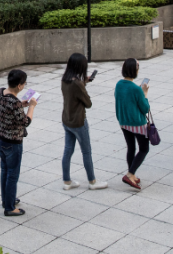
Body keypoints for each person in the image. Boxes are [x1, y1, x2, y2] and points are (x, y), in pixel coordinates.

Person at [60, 53, 109, 190]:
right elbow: (88, 103)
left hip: (66, 119)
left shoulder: (65, 79)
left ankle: (67, 181)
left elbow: (74, 92)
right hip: (78, 122)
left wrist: (83, 82)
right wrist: (83, 85)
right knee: (86, 151)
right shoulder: (77, 84)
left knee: (68, 150)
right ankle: (92, 181)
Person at [0, 69, 36, 214]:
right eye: (24, 84)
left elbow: (10, 110)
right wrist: (31, 106)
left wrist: (21, 104)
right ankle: (10, 208)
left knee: (4, 169)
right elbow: (25, 122)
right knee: (12, 173)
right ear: (19, 86)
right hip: (12, 142)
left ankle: (6, 199)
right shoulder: (15, 103)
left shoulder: (0, 93)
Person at [112, 59, 152, 189]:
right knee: (144, 148)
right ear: (135, 71)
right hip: (137, 123)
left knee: (131, 147)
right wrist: (145, 93)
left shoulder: (119, 84)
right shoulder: (137, 89)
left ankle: (132, 174)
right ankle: (130, 174)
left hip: (123, 122)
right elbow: (145, 108)